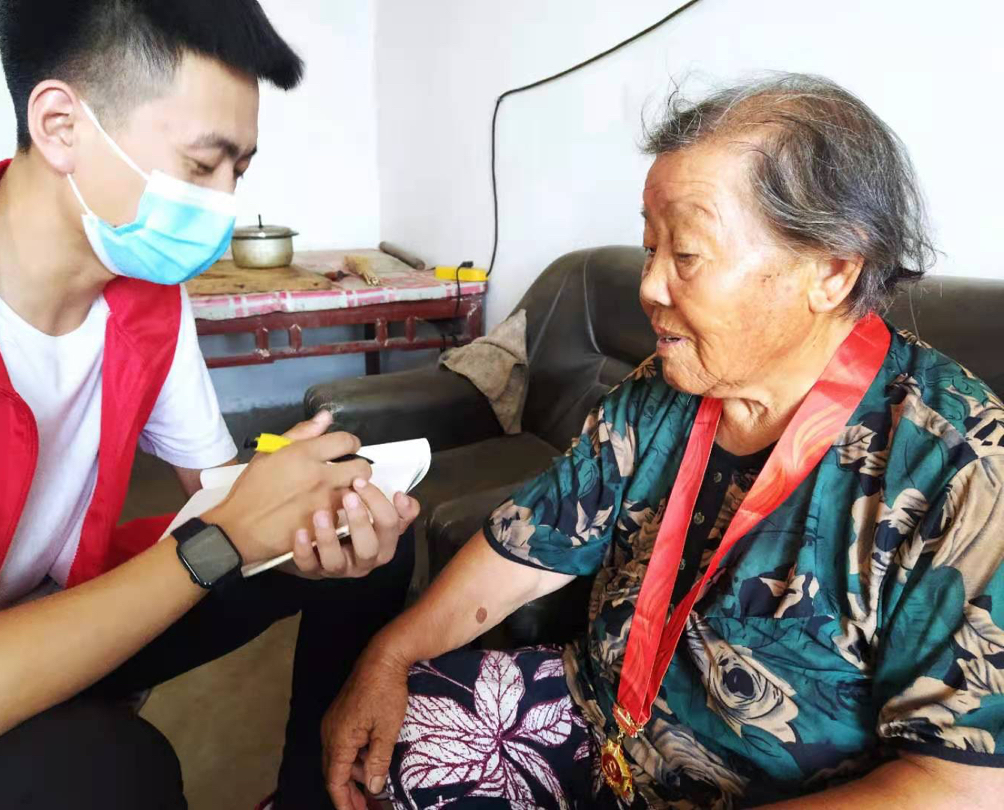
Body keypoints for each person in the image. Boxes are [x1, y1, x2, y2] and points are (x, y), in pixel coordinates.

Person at [323, 73, 1004, 809]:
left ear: (832, 271)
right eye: (651, 248)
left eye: (686, 255)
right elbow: (529, 542)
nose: (649, 286)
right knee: (382, 749)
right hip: (599, 717)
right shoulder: (662, 390)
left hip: (763, 795)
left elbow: (960, 785)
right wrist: (389, 653)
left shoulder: (960, 469)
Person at [0, 1, 419, 808]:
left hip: (57, 597)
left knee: (356, 521)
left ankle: (312, 795)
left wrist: (294, 505)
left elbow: (215, 488)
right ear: (60, 126)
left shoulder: (144, 290)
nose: (223, 207)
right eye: (201, 165)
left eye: (239, 172)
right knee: (117, 768)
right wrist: (221, 540)